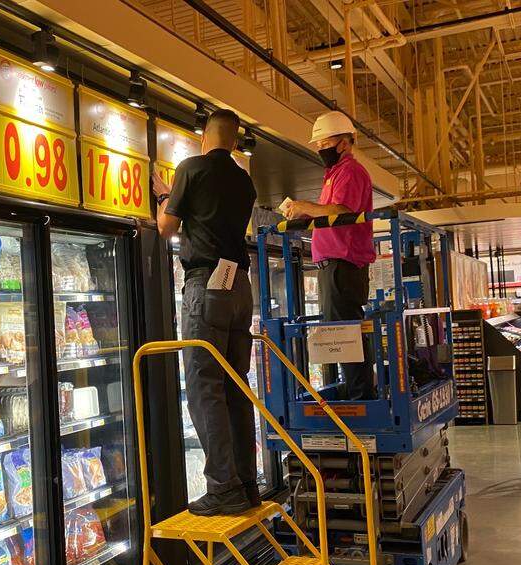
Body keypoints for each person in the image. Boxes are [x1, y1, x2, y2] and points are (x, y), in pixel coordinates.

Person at [151, 109, 258, 516]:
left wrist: (167, 194)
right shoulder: (244, 180)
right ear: (233, 141)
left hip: (206, 284)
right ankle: (247, 484)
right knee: (235, 384)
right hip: (240, 287)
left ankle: (222, 488)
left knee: (203, 386)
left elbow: (166, 227)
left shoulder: (190, 169)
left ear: (203, 137)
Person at [283, 110, 376, 400]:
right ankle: (357, 391)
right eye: (318, 144)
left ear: (345, 143)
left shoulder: (350, 171)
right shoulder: (334, 174)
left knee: (346, 332)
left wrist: (304, 206)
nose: (319, 149)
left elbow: (342, 211)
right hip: (335, 265)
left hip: (343, 265)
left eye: (324, 144)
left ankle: (361, 397)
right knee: (343, 331)